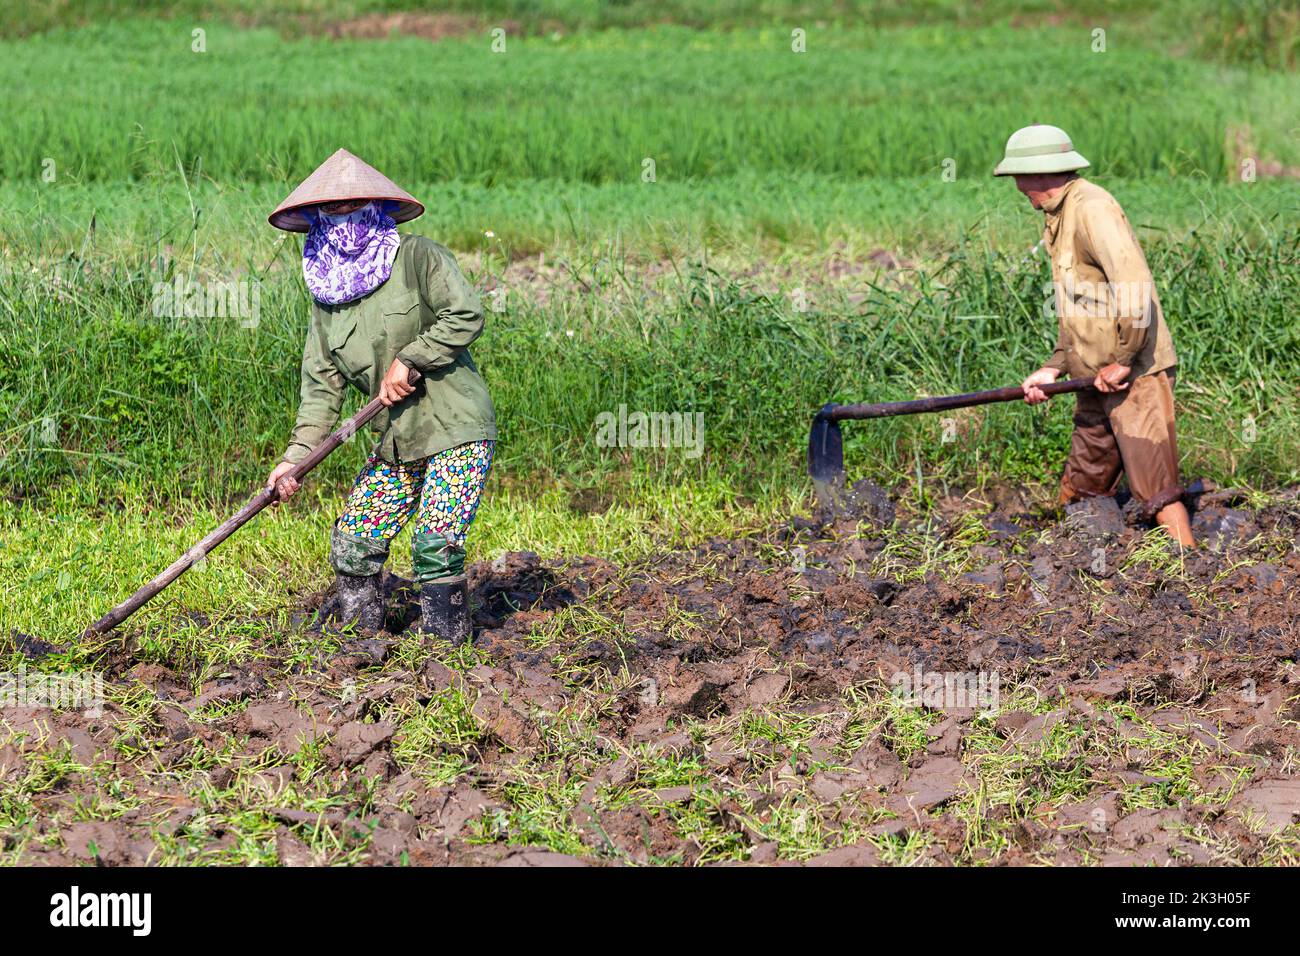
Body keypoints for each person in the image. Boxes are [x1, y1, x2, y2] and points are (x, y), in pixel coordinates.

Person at [265, 148, 498, 638]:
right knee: (354, 541)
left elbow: (466, 315)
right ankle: (360, 641)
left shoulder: (418, 258)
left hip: (455, 424)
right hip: (396, 438)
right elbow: (321, 386)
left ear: (376, 206)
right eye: (334, 211)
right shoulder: (325, 298)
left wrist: (412, 358)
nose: (345, 220)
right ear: (316, 219)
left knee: (435, 543)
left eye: (354, 208)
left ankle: (446, 654)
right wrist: (294, 458)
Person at [995, 125, 1194, 547]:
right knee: (1083, 487)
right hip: (1094, 377)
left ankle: (1193, 569)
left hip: (1134, 373)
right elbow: (1078, 312)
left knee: (1156, 488)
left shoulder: (1093, 208)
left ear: (1037, 174)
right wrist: (1053, 368)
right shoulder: (1057, 217)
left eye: (1017, 178)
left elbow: (1134, 284)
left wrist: (1123, 358)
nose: (1016, 188)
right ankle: (1075, 561)